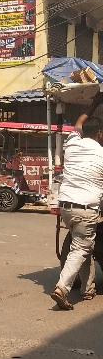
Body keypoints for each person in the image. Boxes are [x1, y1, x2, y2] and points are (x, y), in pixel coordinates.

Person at [51, 92, 103, 310]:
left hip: (66, 207)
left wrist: (95, 101)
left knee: (83, 244)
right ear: (100, 134)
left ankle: (87, 289)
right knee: (80, 248)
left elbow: (79, 121)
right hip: (86, 209)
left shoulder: (72, 144)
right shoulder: (101, 154)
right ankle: (62, 288)